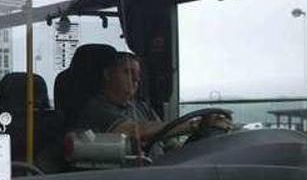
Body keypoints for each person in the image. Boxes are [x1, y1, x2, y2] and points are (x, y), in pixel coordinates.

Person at [75, 52, 229, 155]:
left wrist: (204, 132)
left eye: (138, 75)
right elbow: (136, 130)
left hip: (162, 171)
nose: (136, 80)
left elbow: (170, 145)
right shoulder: (96, 109)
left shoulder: (142, 108)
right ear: (107, 74)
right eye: (128, 72)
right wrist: (195, 124)